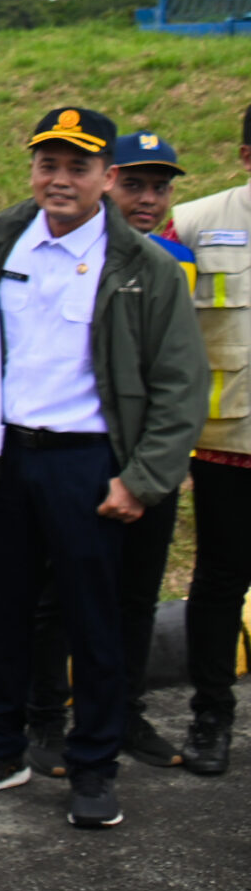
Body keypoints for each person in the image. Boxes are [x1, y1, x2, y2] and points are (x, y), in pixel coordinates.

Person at [0, 109, 208, 831]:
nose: (60, 180)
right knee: (2, 611)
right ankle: (1, 747)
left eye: (78, 166)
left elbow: (183, 383)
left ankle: (93, 764)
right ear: (32, 169)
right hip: (8, 460)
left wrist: (142, 478)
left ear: (107, 177)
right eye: (47, 164)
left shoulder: (143, 267)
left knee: (94, 622)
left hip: (89, 465)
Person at [26, 131, 199, 774]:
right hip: (88, 454)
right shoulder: (59, 253)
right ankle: (46, 716)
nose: (148, 199)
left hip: (150, 455)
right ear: (108, 183)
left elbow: (181, 369)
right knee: (56, 596)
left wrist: (154, 466)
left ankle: (123, 711)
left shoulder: (172, 260)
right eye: (135, 184)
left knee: (134, 594)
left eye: (161, 187)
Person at [170, 104, 251, 776]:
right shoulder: (196, 222)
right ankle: (211, 716)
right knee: (221, 581)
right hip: (228, 445)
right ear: (247, 156)